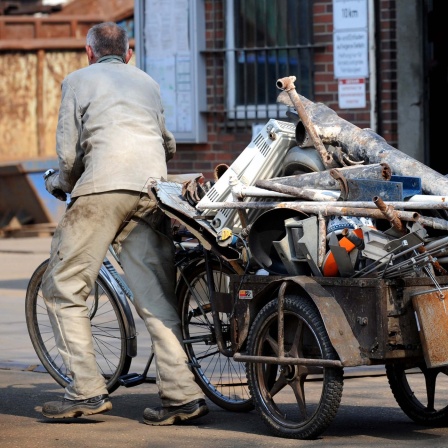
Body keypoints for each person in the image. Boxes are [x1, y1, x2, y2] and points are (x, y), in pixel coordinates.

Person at [41, 21, 208, 426]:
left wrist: (62, 185)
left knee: (63, 286)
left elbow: (68, 153)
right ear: (129, 54)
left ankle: (85, 390)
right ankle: (182, 396)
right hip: (152, 190)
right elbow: (167, 143)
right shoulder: (146, 82)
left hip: (102, 189)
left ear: (89, 52)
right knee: (155, 298)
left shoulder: (78, 80)